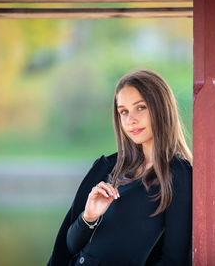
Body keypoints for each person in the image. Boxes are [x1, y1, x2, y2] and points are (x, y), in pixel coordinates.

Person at [47, 69, 192, 266]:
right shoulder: (106, 168)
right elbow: (68, 248)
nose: (130, 120)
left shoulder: (177, 174)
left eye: (140, 107)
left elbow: (174, 259)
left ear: (161, 107)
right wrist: (88, 217)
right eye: (123, 111)